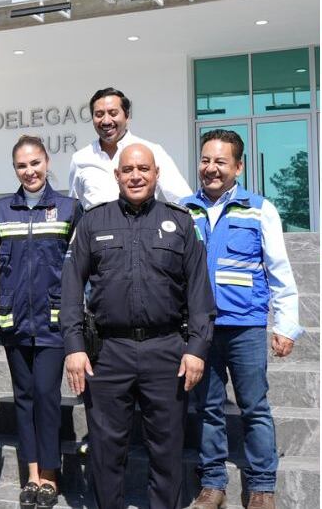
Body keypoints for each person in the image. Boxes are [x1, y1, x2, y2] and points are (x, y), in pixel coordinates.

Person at [60, 143, 216, 509]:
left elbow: (199, 296)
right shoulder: (92, 222)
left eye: (143, 169)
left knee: (167, 449)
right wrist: (74, 347)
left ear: (156, 173)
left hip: (166, 351)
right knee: (105, 450)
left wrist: (196, 350)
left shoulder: (180, 222)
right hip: (107, 353)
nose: (136, 176)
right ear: (116, 176)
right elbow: (69, 290)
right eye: (128, 170)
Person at [182, 130, 303, 509]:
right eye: (205, 160)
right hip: (200, 330)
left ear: (238, 166)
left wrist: (285, 325)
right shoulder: (183, 211)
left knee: (254, 407)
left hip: (246, 326)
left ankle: (262, 487)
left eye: (220, 161)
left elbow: (279, 270)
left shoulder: (259, 209)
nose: (211, 169)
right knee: (207, 408)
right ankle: (213, 484)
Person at [0, 136, 82, 509]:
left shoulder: (68, 208)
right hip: (14, 323)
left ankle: (50, 474)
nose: (29, 171)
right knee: (23, 399)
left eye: (35, 163)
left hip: (53, 321)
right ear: (15, 169)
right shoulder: (0, 210)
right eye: (22, 166)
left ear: (47, 162)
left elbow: (80, 267)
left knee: (46, 395)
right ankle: (31, 476)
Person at [68, 87, 193, 209]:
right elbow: (75, 209)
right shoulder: (80, 159)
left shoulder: (152, 151)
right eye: (99, 114)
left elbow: (182, 199)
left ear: (127, 115)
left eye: (113, 113)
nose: (106, 121)